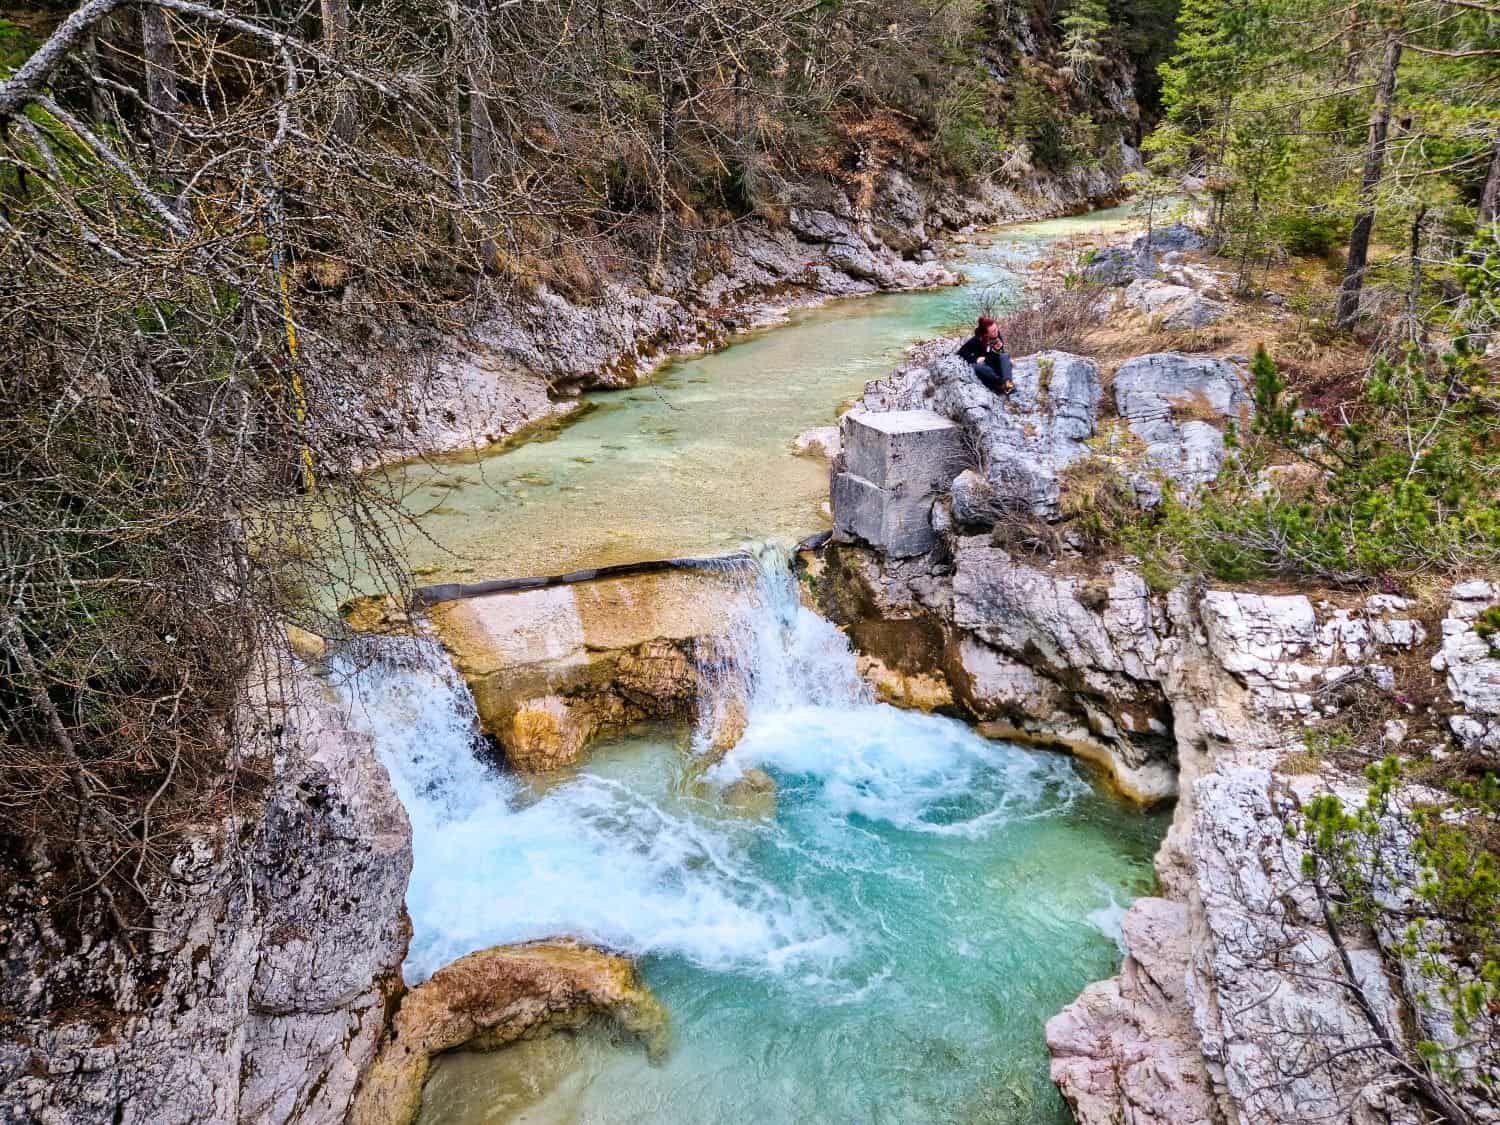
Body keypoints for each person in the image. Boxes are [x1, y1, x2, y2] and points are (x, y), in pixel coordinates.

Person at [956, 315, 1014, 396]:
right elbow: (961, 352)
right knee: (978, 366)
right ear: (986, 334)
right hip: (988, 372)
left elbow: (999, 354)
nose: (996, 332)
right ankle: (1003, 384)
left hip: (995, 364)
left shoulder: (997, 335)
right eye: (993, 331)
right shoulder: (976, 340)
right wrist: (975, 359)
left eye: (996, 329)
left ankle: (1007, 384)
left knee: (1005, 356)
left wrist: (999, 352)